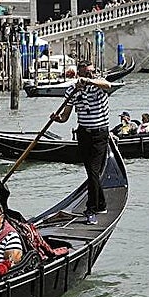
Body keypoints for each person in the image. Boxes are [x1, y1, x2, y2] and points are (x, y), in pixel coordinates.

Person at [51, 60, 112, 223]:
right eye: (87, 73)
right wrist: (57, 119)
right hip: (83, 134)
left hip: (100, 134)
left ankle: (91, 209)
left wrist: (89, 80)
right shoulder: (72, 90)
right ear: (79, 74)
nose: (91, 74)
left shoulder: (99, 85)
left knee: (93, 172)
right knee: (91, 173)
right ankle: (101, 204)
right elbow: (65, 117)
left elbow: (108, 85)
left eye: (92, 71)